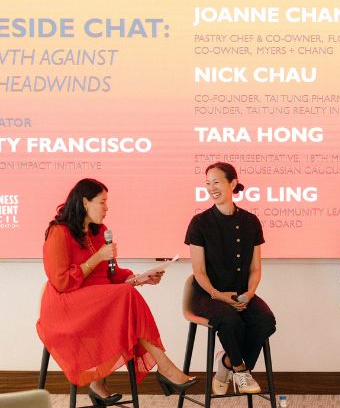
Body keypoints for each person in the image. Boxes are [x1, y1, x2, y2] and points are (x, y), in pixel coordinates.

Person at [36, 178, 196, 406]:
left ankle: (99, 383)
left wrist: (140, 278)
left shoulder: (100, 232)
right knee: (125, 297)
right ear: (85, 202)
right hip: (66, 306)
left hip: (97, 303)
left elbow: (111, 275)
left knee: (125, 300)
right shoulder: (59, 232)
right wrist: (97, 257)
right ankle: (165, 367)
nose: (107, 208)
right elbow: (61, 282)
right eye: (102, 202)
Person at [186, 162, 277, 395]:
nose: (211, 188)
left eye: (216, 182)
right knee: (230, 321)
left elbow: (255, 268)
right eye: (208, 183)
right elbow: (199, 271)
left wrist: (250, 293)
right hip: (207, 294)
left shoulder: (250, 221)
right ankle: (240, 369)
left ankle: (226, 362)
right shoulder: (199, 223)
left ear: (232, 183)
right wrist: (218, 295)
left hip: (241, 293)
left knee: (266, 321)